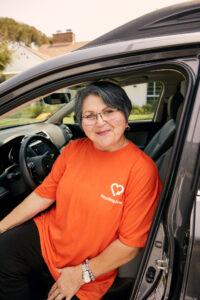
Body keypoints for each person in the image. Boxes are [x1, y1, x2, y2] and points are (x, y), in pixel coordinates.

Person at [0, 81, 162, 300]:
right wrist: (1, 226)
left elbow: (129, 245)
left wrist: (81, 274)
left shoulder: (142, 170)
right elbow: (42, 195)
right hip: (48, 236)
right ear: (81, 121)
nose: (100, 122)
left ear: (125, 115)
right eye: (90, 115)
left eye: (109, 111)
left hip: (88, 265)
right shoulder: (74, 149)